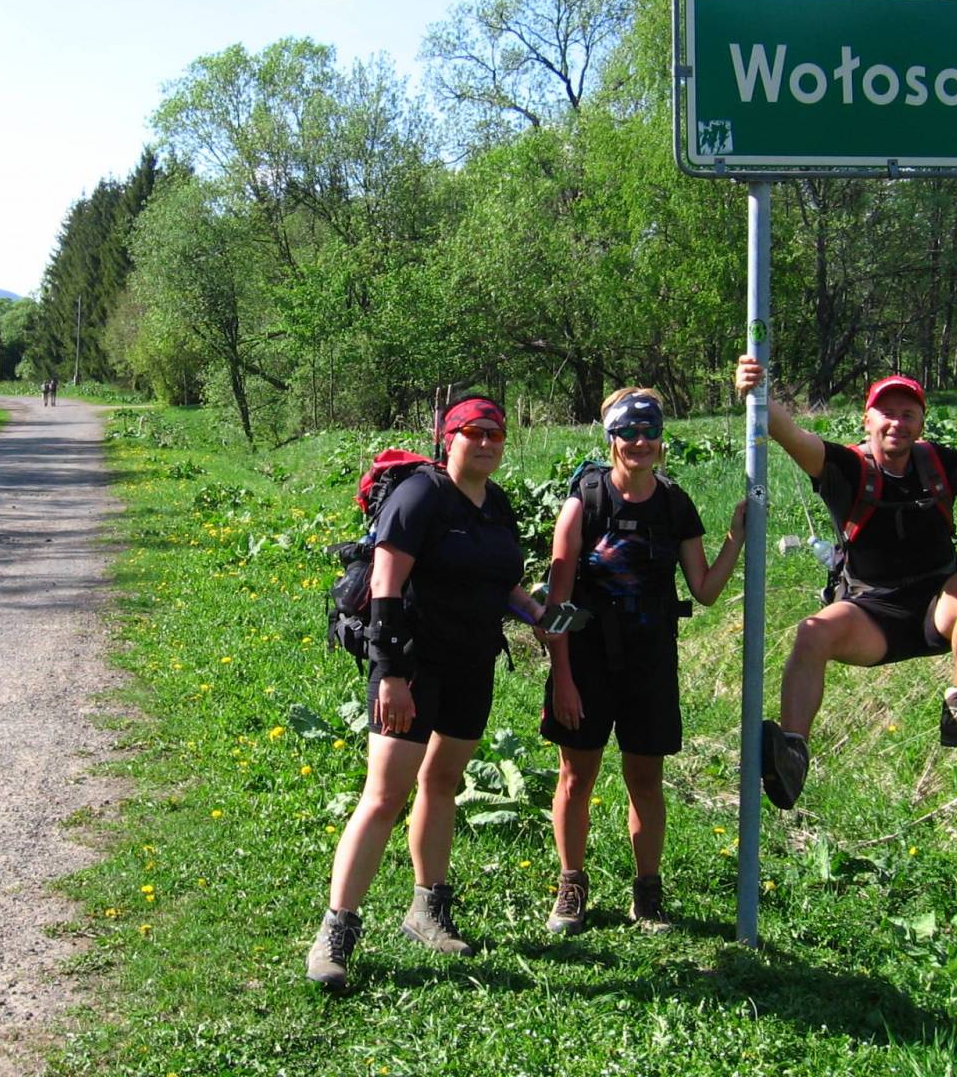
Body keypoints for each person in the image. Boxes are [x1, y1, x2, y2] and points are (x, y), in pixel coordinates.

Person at [306, 394, 544, 991]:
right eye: (472, 432)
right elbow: (386, 588)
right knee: (384, 796)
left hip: (472, 665)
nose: (485, 442)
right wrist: (389, 674)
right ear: (448, 438)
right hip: (412, 667)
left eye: (495, 433)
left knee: (443, 783)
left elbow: (500, 584)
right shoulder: (420, 496)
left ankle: (428, 910)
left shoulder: (497, 505)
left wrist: (538, 613)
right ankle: (336, 931)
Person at [733, 357, 957, 811]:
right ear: (867, 420)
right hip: (871, 612)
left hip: (938, 607)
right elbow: (789, 435)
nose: (897, 423)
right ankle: (792, 753)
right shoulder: (845, 466)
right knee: (812, 633)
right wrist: (756, 391)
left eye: (908, 414)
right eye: (887, 413)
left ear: (921, 423)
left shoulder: (938, 462)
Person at [539, 388, 745, 935]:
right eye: (627, 432)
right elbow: (557, 604)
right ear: (610, 438)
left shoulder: (675, 504)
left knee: (646, 780)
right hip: (586, 660)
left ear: (661, 438)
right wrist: (563, 678)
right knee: (575, 777)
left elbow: (704, 590)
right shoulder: (585, 502)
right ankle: (570, 886)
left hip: (650, 662)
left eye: (649, 430)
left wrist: (736, 536)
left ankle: (647, 895)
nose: (639, 441)